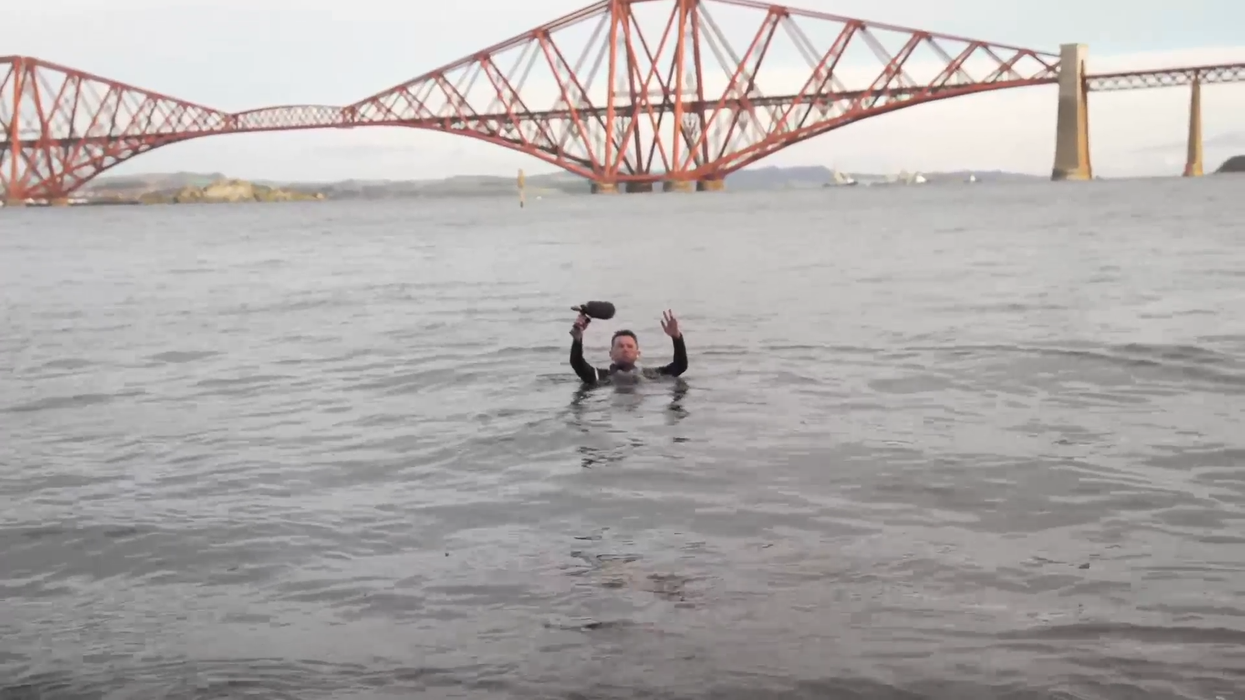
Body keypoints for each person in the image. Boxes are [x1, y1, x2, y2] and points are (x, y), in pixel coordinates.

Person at [569, 309, 687, 384]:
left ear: (638, 353)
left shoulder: (652, 375)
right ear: (611, 354)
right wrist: (578, 338)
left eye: (630, 346)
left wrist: (677, 338)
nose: (625, 349)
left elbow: (680, 366)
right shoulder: (599, 376)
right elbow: (577, 363)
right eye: (620, 346)